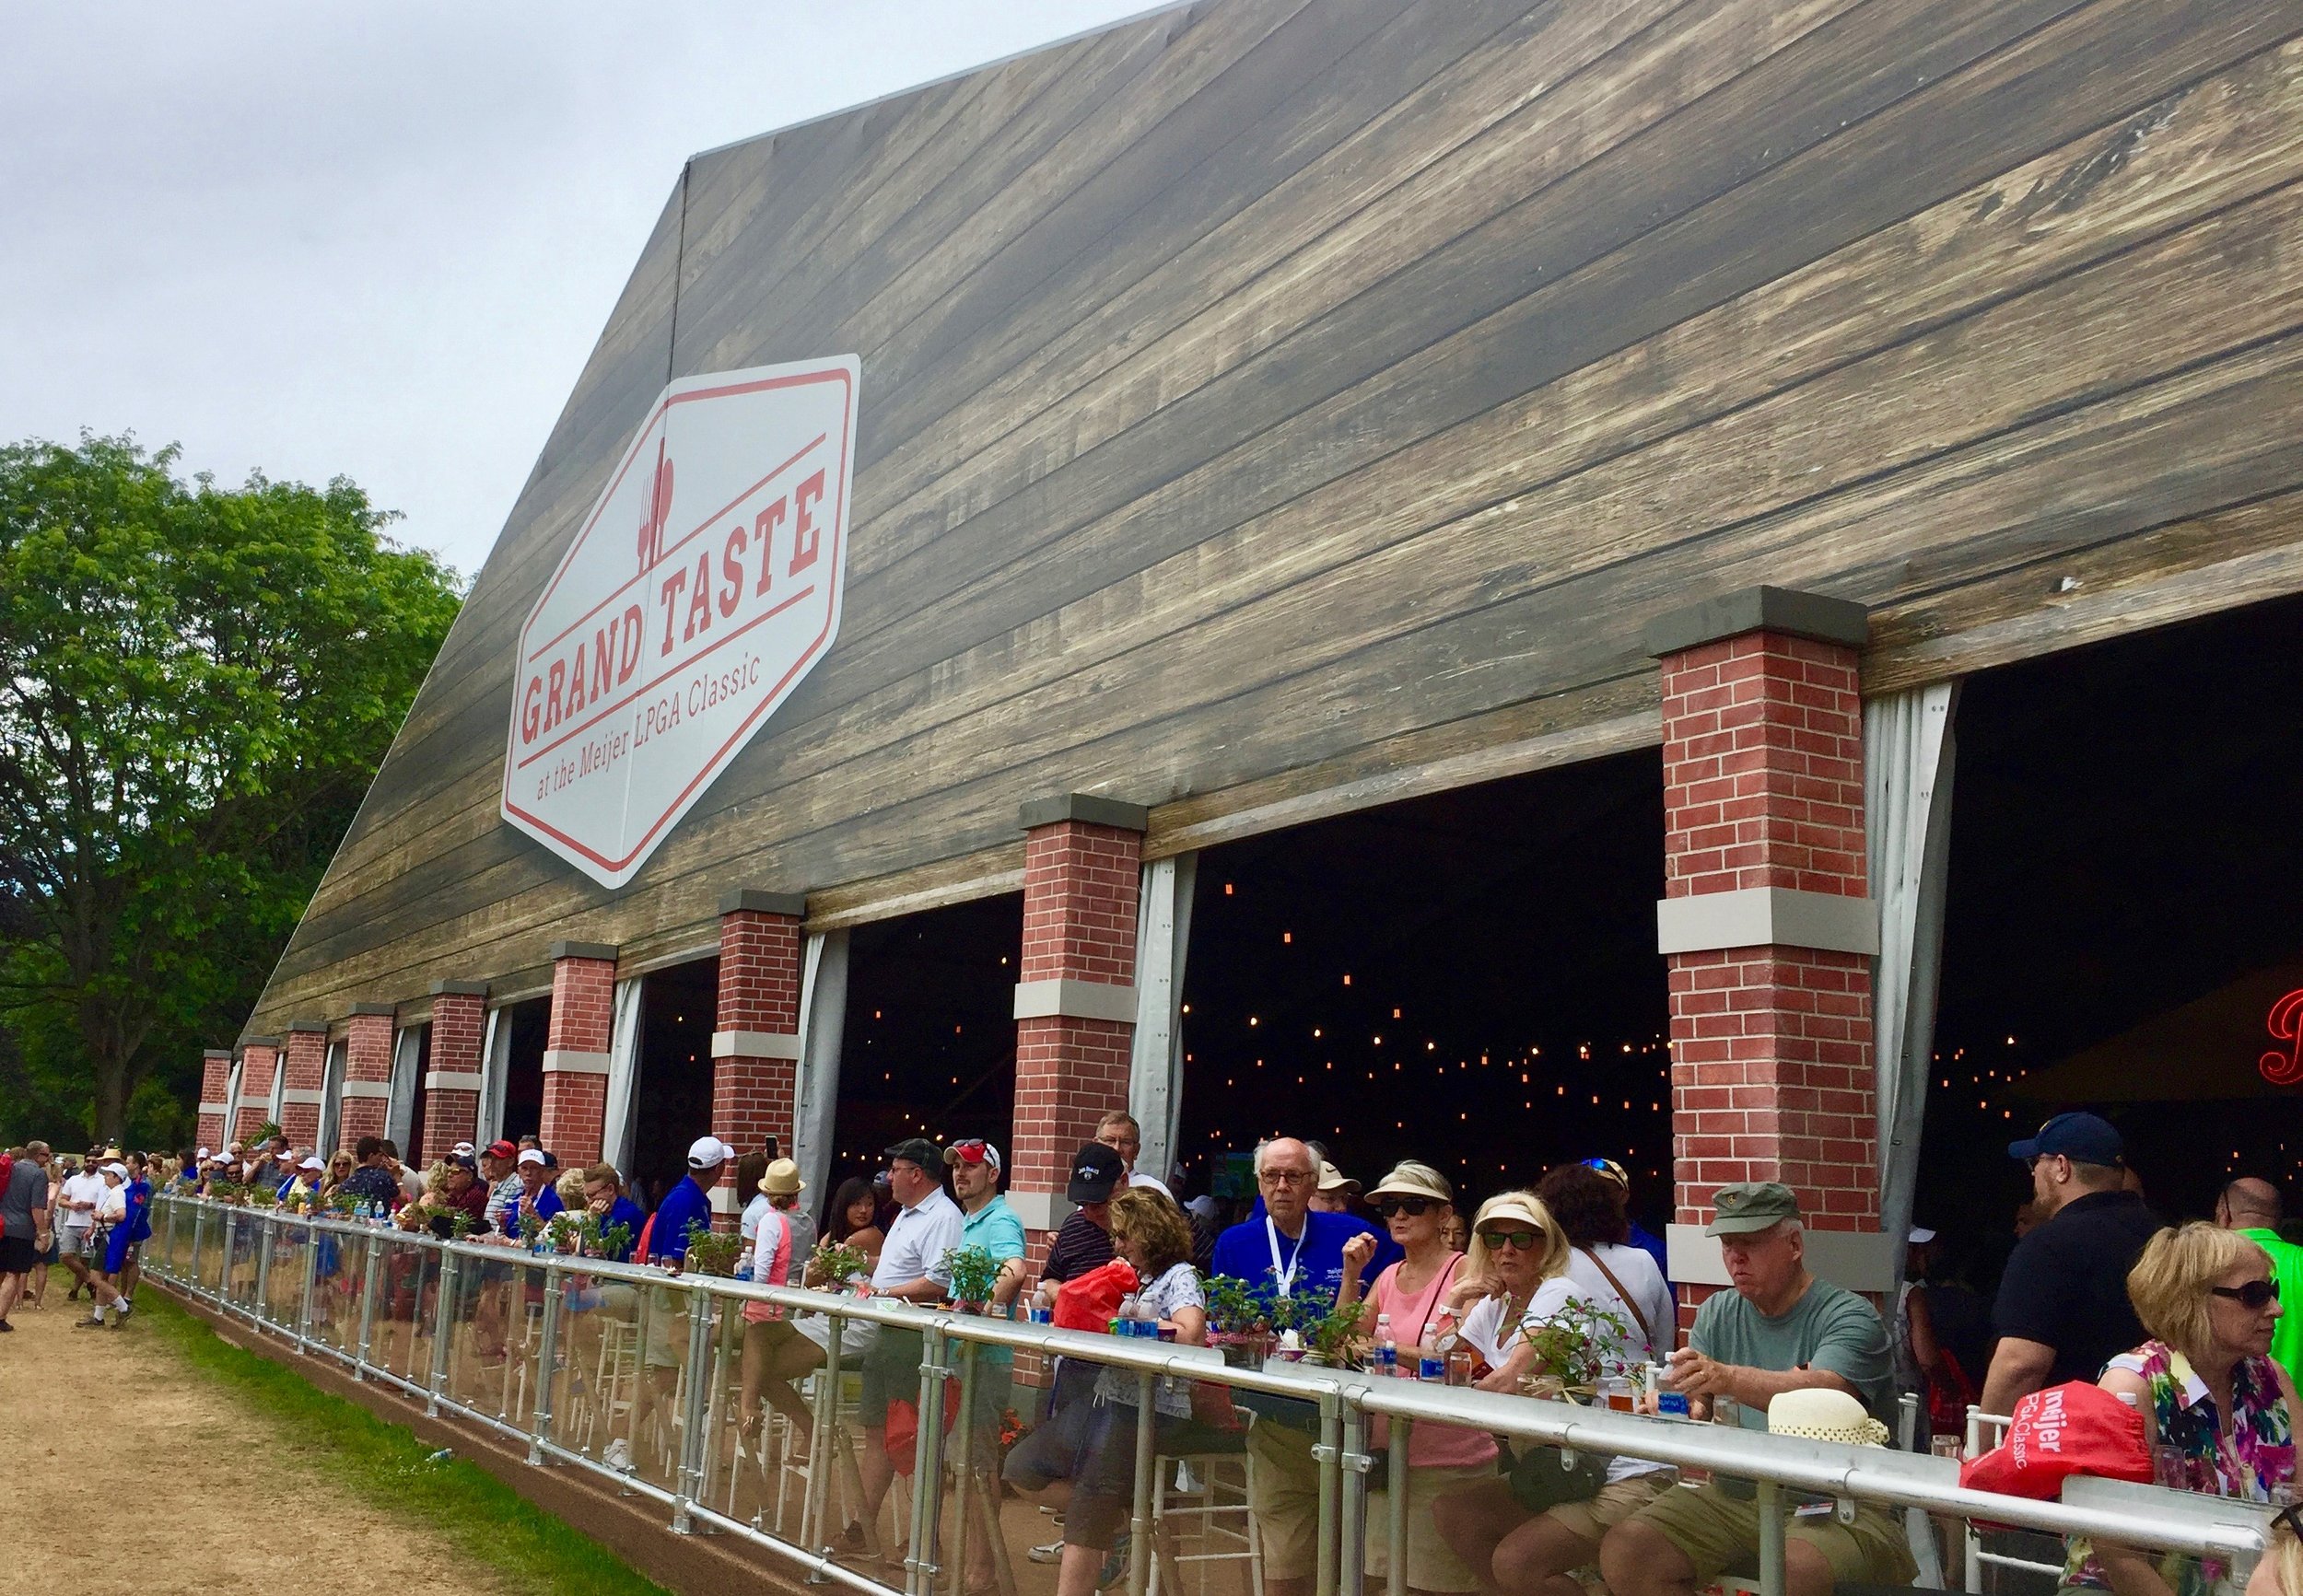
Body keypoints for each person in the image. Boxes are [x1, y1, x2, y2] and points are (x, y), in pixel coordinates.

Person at [1599, 1182, 1911, 1596]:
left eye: (1751, 1243)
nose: (1735, 1257)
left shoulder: (1850, 1316)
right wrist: (1674, 1402)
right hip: (1736, 1492)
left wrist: (1726, 1378)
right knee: (1629, 1550)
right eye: (1728, 1244)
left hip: (1840, 1500)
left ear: (1795, 1245)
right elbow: (1700, 1403)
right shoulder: (1717, 1311)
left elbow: (1826, 1391)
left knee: (1794, 1570)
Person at [1434, 1189, 1676, 1596]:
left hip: (1621, 1469)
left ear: (1547, 1246)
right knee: (1456, 1514)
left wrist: (1468, 1383)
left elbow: (1509, 1382)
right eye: (1496, 1239)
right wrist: (1454, 1303)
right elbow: (1442, 1366)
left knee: (1517, 1561)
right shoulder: (1496, 1305)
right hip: (1561, 1469)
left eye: (1522, 1238)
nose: (1507, 1250)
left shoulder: (1559, 1293)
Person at [1006, 1189, 1236, 1596]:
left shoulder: (1178, 1275)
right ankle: (1125, 1521)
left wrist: (1134, 1326)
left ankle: (1103, 1535)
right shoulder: (1136, 1276)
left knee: (1092, 1498)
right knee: (1022, 1466)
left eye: (1124, 1235)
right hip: (1110, 1399)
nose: (1117, 1244)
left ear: (1149, 1232)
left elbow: (1191, 1333)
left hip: (1154, 1407)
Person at [1212, 1137, 1403, 1596]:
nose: (1282, 1186)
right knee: (1284, 1559)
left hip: (1349, 1420)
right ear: (1258, 1183)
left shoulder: (1352, 1235)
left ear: (1313, 1183)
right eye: (1272, 1176)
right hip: (1277, 1417)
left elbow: (1415, 1275)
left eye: (1294, 1176)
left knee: (1353, 1557)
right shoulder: (1235, 1243)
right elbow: (1219, 1326)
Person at [2063, 1223, 2297, 1596]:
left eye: (2274, 1292)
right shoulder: (2132, 1386)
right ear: (2192, 1300)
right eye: (2256, 1295)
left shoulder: (2271, 1378)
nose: (2277, 1309)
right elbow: (2114, 1548)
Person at [1341, 1162, 1486, 1595]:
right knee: (1371, 1579)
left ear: (1444, 1215)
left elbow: (1459, 1360)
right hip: (1389, 1452)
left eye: (1413, 1205)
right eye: (1390, 1206)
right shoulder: (1387, 1276)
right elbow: (1341, 1339)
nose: (1398, 1215)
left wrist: (1385, 1351)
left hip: (1448, 1461)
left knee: (1428, 1587)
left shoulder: (1465, 1274)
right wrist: (1351, 1275)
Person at [1982, 1112, 2161, 1414]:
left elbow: (2020, 1364)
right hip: (2163, 1429)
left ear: (2061, 1167)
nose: (2033, 1174)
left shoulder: (2047, 1246)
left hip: (2069, 1438)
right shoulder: (2167, 1237)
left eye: (2036, 1162)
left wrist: (1983, 1445)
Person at [852, 1137, 964, 1555]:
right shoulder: (904, 1214)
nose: (889, 1177)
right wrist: (857, 1274)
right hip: (888, 1333)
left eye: (896, 1169)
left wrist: (884, 1293)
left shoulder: (944, 1217)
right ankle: (862, 1530)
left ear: (916, 1174)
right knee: (878, 1434)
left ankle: (923, 1540)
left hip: (915, 1339)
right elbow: (896, 1273)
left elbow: (940, 1282)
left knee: (915, 1439)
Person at [948, 1138, 1028, 1592]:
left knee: (978, 1467)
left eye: (972, 1167)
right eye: (957, 1166)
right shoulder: (972, 1220)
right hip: (965, 1357)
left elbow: (1015, 1269)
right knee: (965, 1467)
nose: (961, 1173)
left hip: (985, 1359)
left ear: (992, 1174)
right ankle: (972, 1567)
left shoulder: (1001, 1219)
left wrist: (981, 1309)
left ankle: (983, 1572)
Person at [738, 1157, 823, 1452]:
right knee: (764, 1370)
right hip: (796, 1307)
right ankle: (754, 1406)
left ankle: (746, 1406)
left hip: (767, 1307)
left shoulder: (771, 1221)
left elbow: (760, 1272)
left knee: (749, 1335)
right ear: (795, 1193)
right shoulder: (808, 1223)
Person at [2217, 1178, 2303, 1390]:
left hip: (2228, 1408)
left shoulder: (2206, 1264)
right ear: (2277, 1219)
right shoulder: (2298, 1262)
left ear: (2224, 1213)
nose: (2277, 1308)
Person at [1584, 1158, 1670, 1287]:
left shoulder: (1654, 1250)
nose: (1591, 1198)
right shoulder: (1561, 1251)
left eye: (1602, 1190)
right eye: (1583, 1191)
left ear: (1623, 1196)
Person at [0, 1143, 52, 1331]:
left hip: (1, 1224)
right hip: (21, 1229)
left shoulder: (9, 1168)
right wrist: (43, 1232)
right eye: (46, 1155)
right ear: (38, 1156)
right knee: (13, 1273)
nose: (48, 1159)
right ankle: (1, 1318)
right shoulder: (38, 1175)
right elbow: (36, 1208)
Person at [55, 1149, 106, 1300]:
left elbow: (105, 1203)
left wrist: (90, 1204)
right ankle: (90, 1282)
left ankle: (74, 1290)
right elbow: (62, 1200)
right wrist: (71, 1204)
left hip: (91, 1224)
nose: (90, 1164)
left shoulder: (103, 1181)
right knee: (66, 1255)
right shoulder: (74, 1180)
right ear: (84, 1162)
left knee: (85, 1259)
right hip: (72, 1222)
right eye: (88, 1161)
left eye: (94, 1161)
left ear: (98, 1163)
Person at [815, 1175, 886, 1279]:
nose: (863, 1210)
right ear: (844, 1205)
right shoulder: (832, 1235)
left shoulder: (869, 1234)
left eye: (870, 1204)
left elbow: (823, 1272)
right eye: (857, 1204)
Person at [1095, 1110, 1174, 1201]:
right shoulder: (1088, 1187)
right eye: (1110, 1140)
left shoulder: (1155, 1190)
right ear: (1096, 1145)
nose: (1117, 1148)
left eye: (1125, 1142)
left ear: (1136, 1150)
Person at [339, 1136, 403, 1210]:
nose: (381, 1159)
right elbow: (403, 1201)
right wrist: (397, 1175)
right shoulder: (383, 1177)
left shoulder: (346, 1184)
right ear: (371, 1156)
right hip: (379, 1219)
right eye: (380, 1155)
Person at [480, 1139, 522, 1231]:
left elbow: (513, 1223)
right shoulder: (498, 1186)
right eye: (491, 1158)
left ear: (510, 1162)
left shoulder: (517, 1185)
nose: (492, 1164)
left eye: (498, 1158)